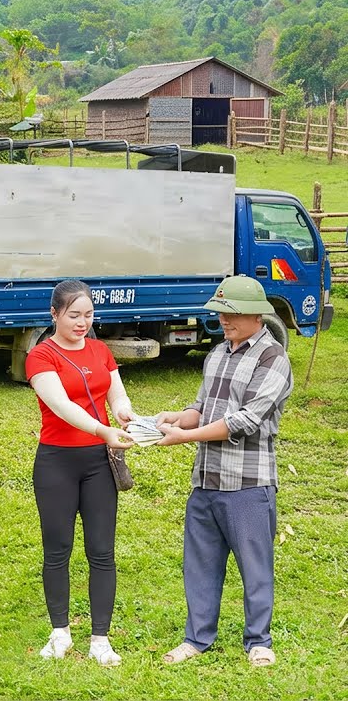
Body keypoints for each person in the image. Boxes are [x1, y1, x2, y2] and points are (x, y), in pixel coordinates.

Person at [156, 275, 292, 669]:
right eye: (219, 312)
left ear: (255, 315)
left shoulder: (273, 359)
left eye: (229, 314)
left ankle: (259, 642)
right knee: (199, 563)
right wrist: (177, 418)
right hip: (206, 480)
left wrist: (184, 437)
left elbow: (244, 421)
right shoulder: (217, 354)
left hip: (248, 483)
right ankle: (196, 639)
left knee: (255, 566)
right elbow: (204, 407)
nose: (222, 320)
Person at [25, 279, 135, 667]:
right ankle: (60, 633)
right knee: (57, 551)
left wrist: (123, 413)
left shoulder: (101, 350)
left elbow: (115, 393)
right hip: (57, 462)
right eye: (74, 315)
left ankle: (100, 639)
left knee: (101, 552)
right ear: (54, 314)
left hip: (98, 465)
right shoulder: (41, 356)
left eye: (88, 315)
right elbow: (60, 407)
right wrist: (103, 430)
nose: (82, 322)